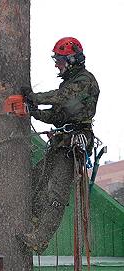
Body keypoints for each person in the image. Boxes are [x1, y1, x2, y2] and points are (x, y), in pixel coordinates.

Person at [16, 37, 100, 255]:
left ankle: (40, 239)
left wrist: (36, 97)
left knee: (56, 193)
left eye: (59, 59)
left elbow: (62, 98)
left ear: (72, 58)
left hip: (75, 142)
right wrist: (33, 110)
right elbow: (56, 115)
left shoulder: (84, 81)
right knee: (36, 179)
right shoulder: (69, 83)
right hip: (61, 141)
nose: (56, 64)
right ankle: (33, 222)